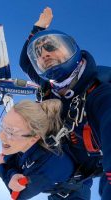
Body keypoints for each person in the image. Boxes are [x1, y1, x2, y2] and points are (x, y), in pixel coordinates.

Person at [19, 7, 111, 200]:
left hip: (93, 163)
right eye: (39, 53)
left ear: (71, 48)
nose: (44, 54)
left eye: (51, 46)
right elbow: (24, 63)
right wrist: (38, 27)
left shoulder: (100, 89)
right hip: (68, 171)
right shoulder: (48, 87)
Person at [0, 99, 92, 200]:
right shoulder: (29, 143)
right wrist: (12, 172)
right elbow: (9, 156)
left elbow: (18, 195)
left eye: (11, 132)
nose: (1, 136)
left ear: (34, 138)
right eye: (2, 126)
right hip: (59, 188)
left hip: (73, 196)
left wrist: (2, 167)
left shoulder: (47, 168)